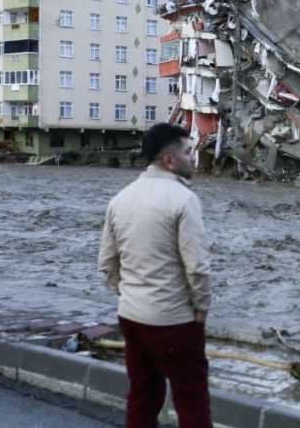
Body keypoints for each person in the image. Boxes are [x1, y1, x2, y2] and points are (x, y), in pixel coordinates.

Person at [98, 123, 212, 428]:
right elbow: (197, 267)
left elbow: (107, 263)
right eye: (188, 152)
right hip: (174, 321)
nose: (194, 158)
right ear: (169, 161)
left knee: (142, 397)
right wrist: (200, 310)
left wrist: (130, 294)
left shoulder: (120, 199)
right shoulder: (184, 200)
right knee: (192, 401)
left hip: (132, 317)